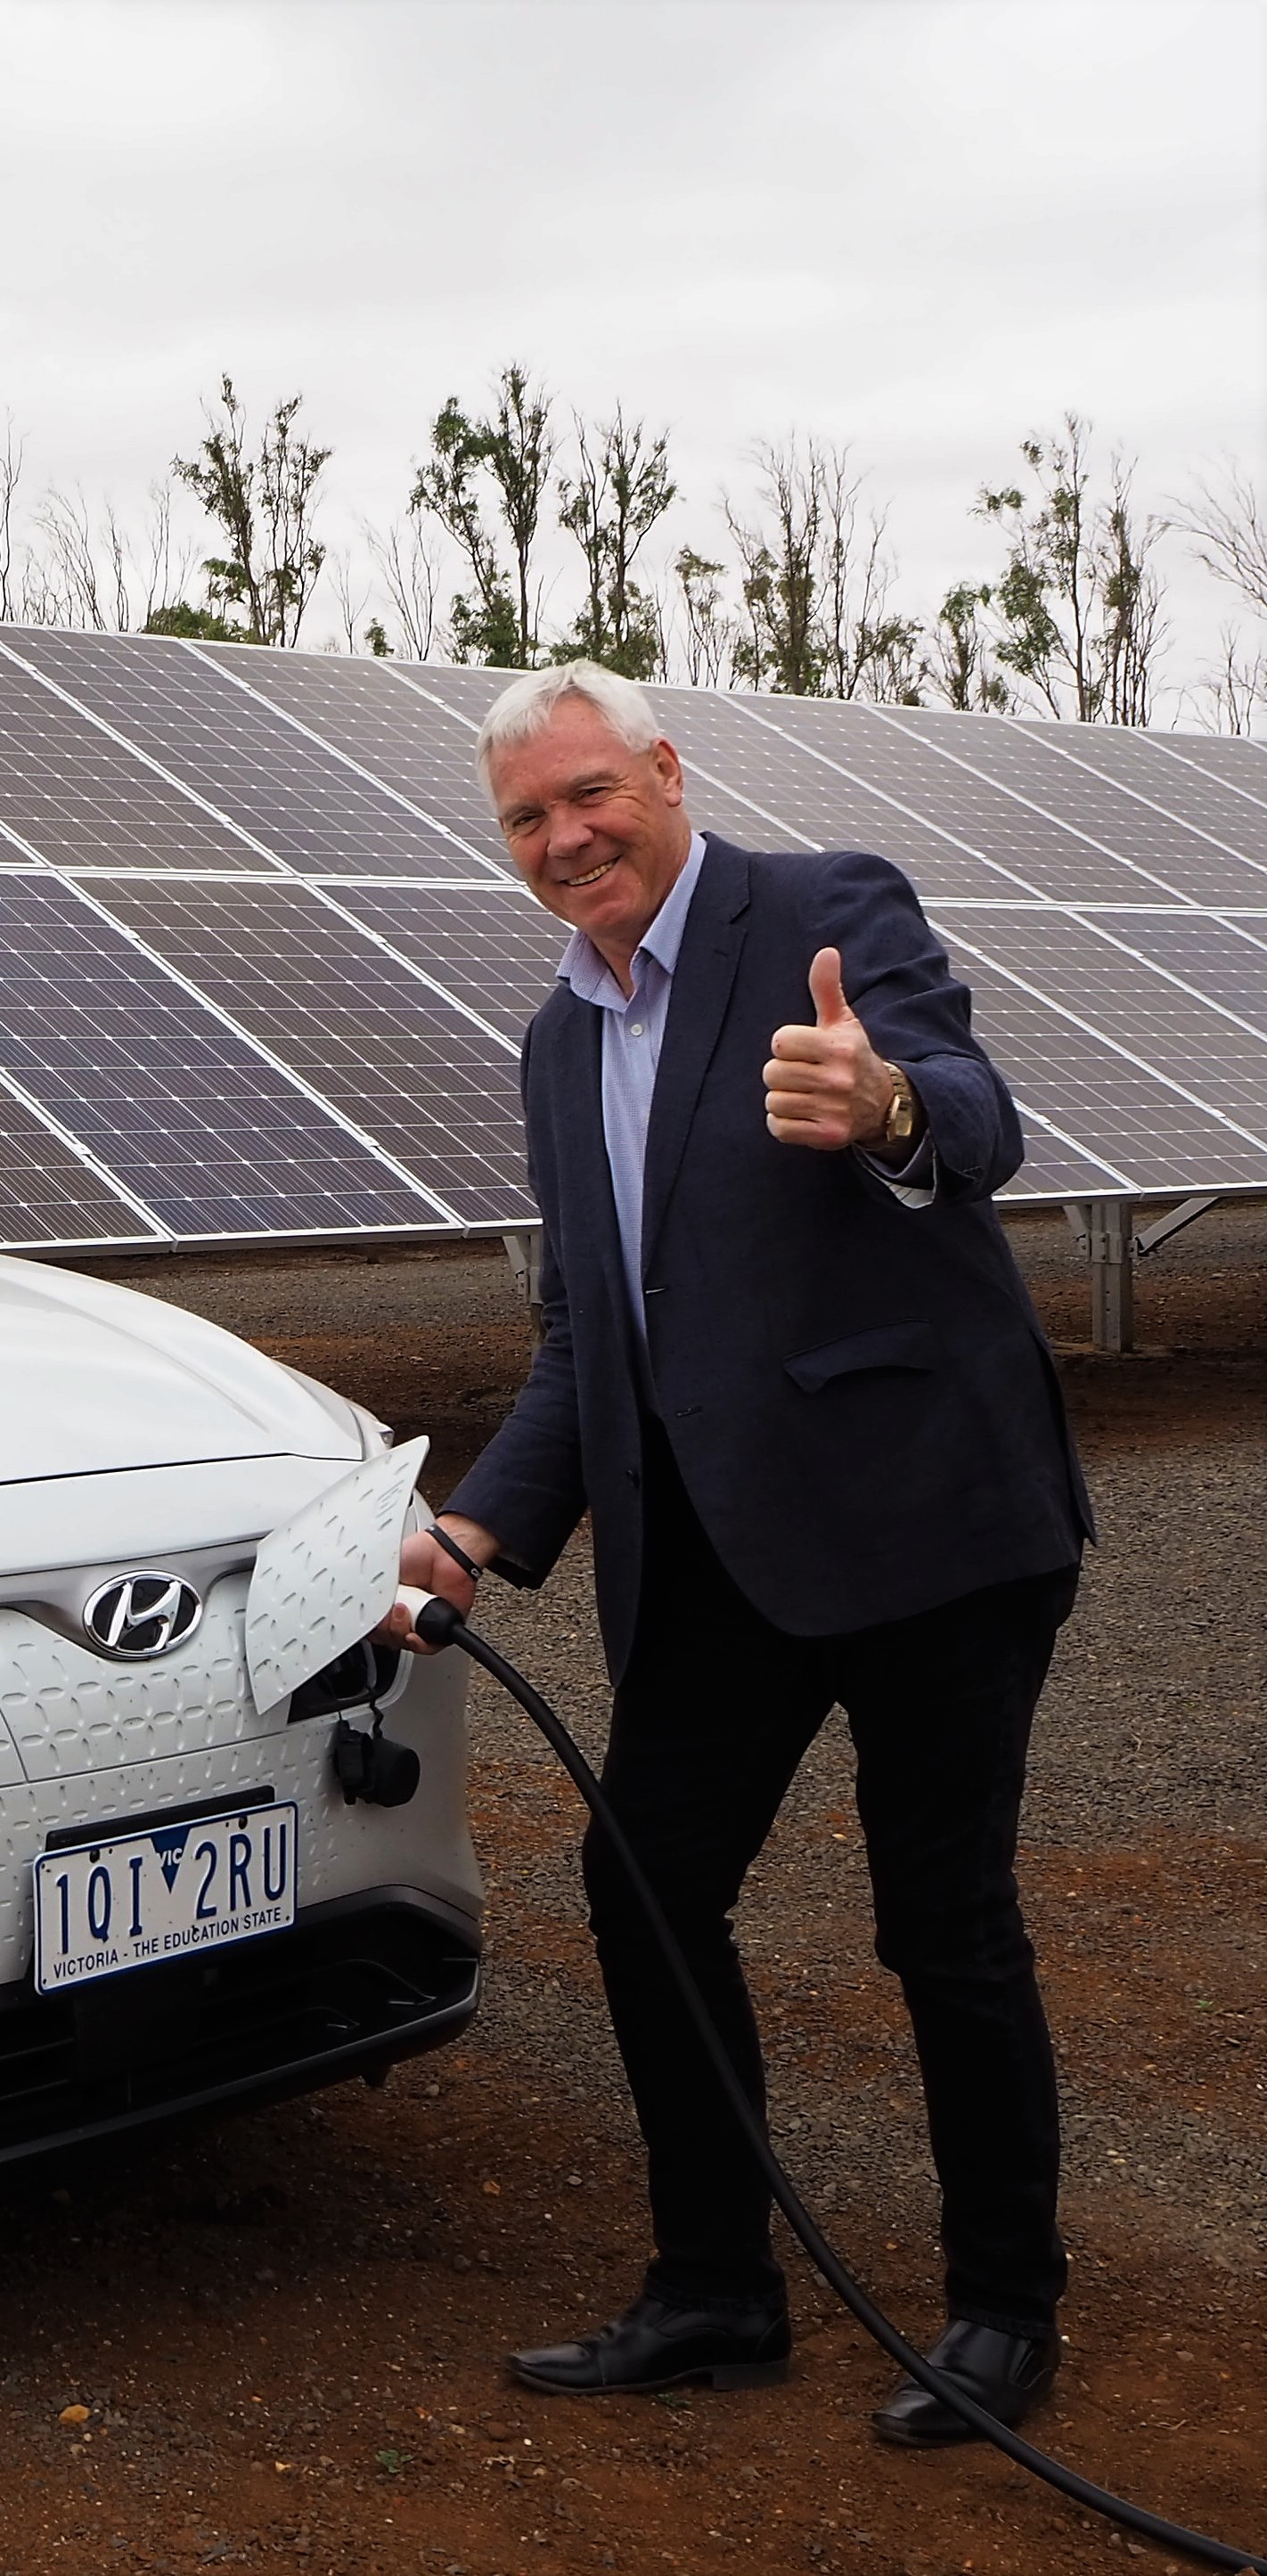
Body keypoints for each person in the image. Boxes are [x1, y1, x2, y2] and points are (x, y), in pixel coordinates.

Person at [391, 661, 1090, 2447]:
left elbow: (973, 1110)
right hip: (712, 1556)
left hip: (929, 1518)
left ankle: (1004, 2305)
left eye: (588, 796)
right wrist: (473, 1526)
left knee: (940, 1919)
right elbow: (584, 1336)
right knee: (644, 1887)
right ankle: (715, 2288)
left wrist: (892, 1112)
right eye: (528, 822)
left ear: (663, 772)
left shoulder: (823, 909)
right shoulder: (559, 1042)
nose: (566, 839)